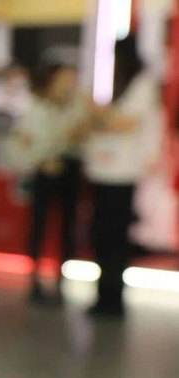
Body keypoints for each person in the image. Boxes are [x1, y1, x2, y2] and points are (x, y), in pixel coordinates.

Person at [85, 36, 161, 318]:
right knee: (104, 236)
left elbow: (125, 124)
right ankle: (105, 295)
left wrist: (97, 113)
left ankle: (112, 299)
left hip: (122, 175)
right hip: (106, 172)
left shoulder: (142, 85)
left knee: (113, 237)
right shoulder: (126, 86)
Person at [12, 63, 89, 305]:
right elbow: (23, 144)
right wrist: (40, 161)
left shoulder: (78, 107)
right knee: (39, 225)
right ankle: (35, 279)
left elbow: (80, 138)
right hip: (43, 172)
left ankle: (60, 280)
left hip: (69, 171)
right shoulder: (36, 108)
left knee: (67, 227)